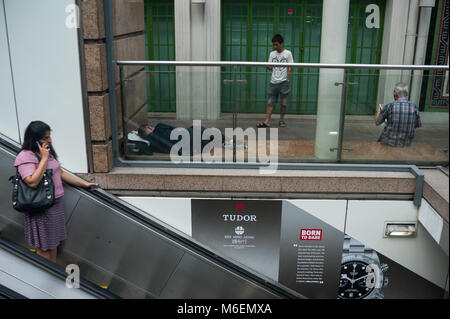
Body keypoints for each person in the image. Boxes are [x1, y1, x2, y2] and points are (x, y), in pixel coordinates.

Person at [13, 121, 97, 263]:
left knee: (53, 245)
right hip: (41, 207)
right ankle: (44, 279)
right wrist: (44, 159)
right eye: (45, 138)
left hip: (54, 205)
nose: (50, 141)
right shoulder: (25, 156)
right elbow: (32, 181)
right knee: (44, 247)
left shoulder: (46, 152)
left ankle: (51, 276)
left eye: (49, 136)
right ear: (33, 139)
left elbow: (61, 173)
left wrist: (84, 184)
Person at [257, 34, 294, 128]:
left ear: (282, 43)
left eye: (277, 44)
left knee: (284, 103)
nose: (275, 47)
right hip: (273, 82)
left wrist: (288, 79)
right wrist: (268, 65)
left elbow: (290, 67)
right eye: (274, 45)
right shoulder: (272, 54)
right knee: (270, 102)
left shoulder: (288, 53)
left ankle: (281, 120)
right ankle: (267, 121)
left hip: (284, 82)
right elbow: (270, 67)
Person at [375, 82, 422, 147]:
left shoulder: (390, 106)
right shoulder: (414, 107)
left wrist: (379, 111)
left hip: (389, 143)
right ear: (407, 93)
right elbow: (417, 125)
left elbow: (377, 122)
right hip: (406, 144)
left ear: (395, 93)